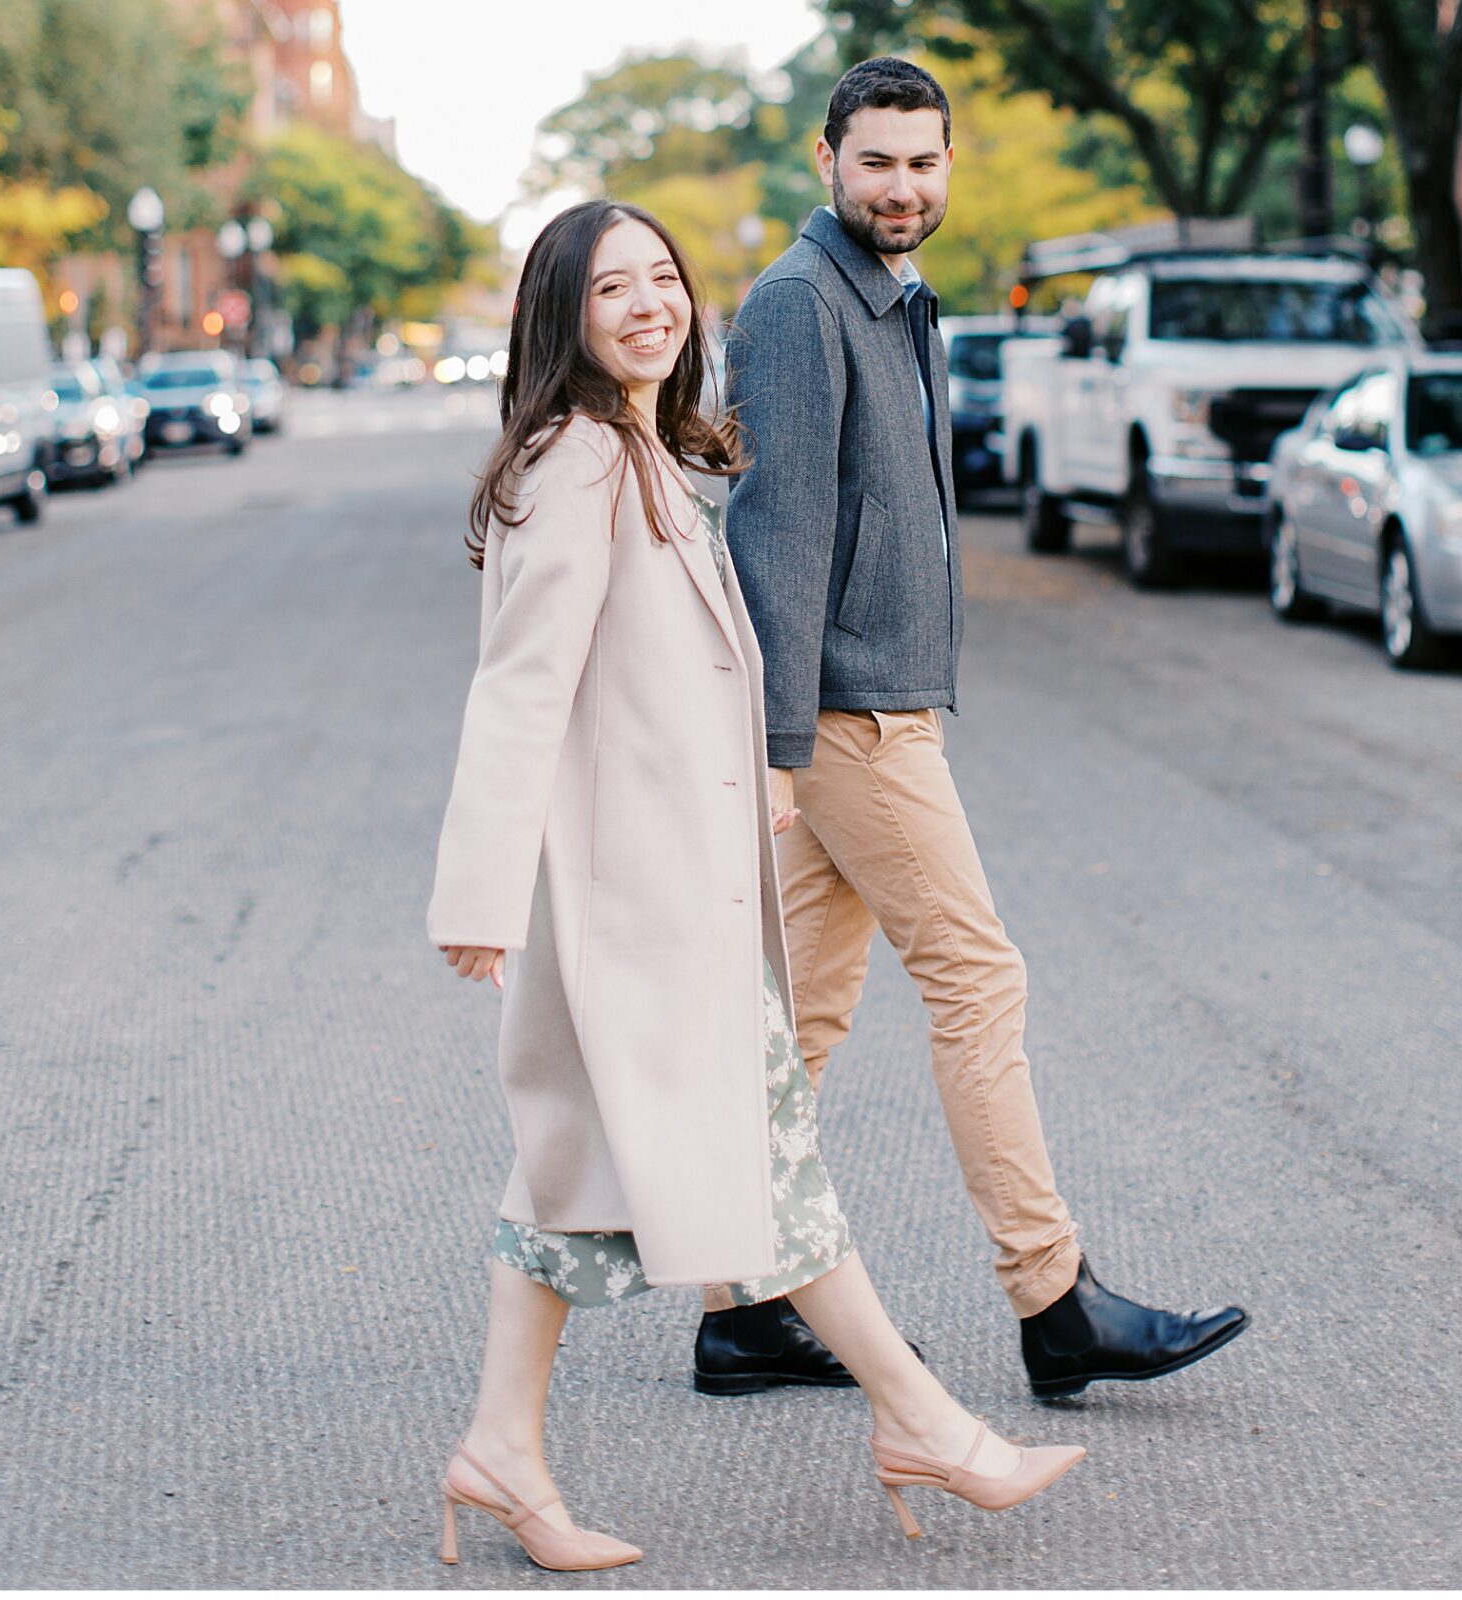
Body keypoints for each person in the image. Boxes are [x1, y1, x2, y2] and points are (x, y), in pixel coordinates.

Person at [428, 199, 1084, 1573]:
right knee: (769, 1160)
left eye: (663, 279)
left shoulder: (640, 452)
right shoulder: (579, 467)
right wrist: (480, 895)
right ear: (564, 316)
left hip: (669, 893)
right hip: (637, 907)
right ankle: (925, 1423)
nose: (649, 306)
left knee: (566, 1179)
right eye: (613, 290)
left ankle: (500, 1446)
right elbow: (519, 692)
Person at [694, 58, 1248, 1403]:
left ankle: (742, 1308)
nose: (901, 185)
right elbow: (771, 545)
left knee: (801, 1018)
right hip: (844, 720)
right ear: (825, 160)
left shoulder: (891, 299)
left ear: (950, 167)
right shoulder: (795, 306)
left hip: (868, 705)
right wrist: (776, 756)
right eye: (876, 161)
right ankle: (1051, 1296)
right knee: (976, 978)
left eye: (923, 163)